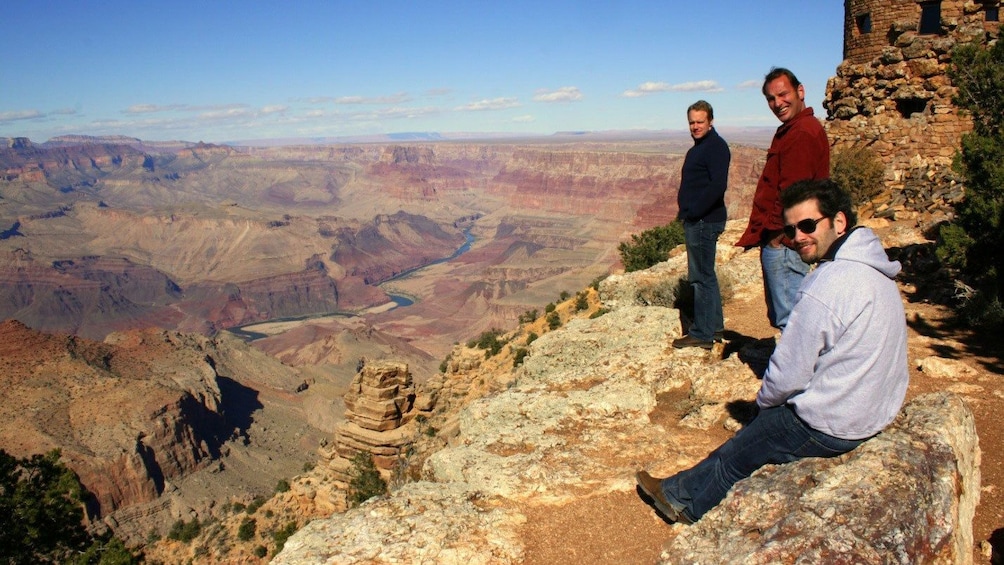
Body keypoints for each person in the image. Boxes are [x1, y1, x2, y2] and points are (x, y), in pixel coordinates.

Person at [637, 178, 908, 524]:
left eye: (808, 225)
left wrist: (763, 410)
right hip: (874, 412)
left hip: (837, 423)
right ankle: (681, 489)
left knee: (739, 450)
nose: (798, 238)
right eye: (792, 230)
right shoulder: (875, 269)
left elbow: (788, 371)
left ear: (838, 222)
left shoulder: (828, 284)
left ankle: (682, 502)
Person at [736, 67, 830, 331]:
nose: (777, 103)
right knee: (790, 315)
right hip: (787, 238)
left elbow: (793, 192)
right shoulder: (795, 129)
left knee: (790, 319)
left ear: (800, 92)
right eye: (771, 98)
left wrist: (777, 235)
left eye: (783, 94)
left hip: (786, 241)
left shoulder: (800, 134)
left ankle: (800, 372)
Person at [672, 100, 731, 350]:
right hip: (700, 220)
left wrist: (694, 213)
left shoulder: (715, 147)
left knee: (700, 277)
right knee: (707, 274)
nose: (695, 126)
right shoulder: (701, 147)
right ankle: (715, 325)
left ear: (711, 121)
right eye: (692, 122)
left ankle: (702, 333)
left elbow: (718, 186)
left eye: (700, 121)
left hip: (704, 221)